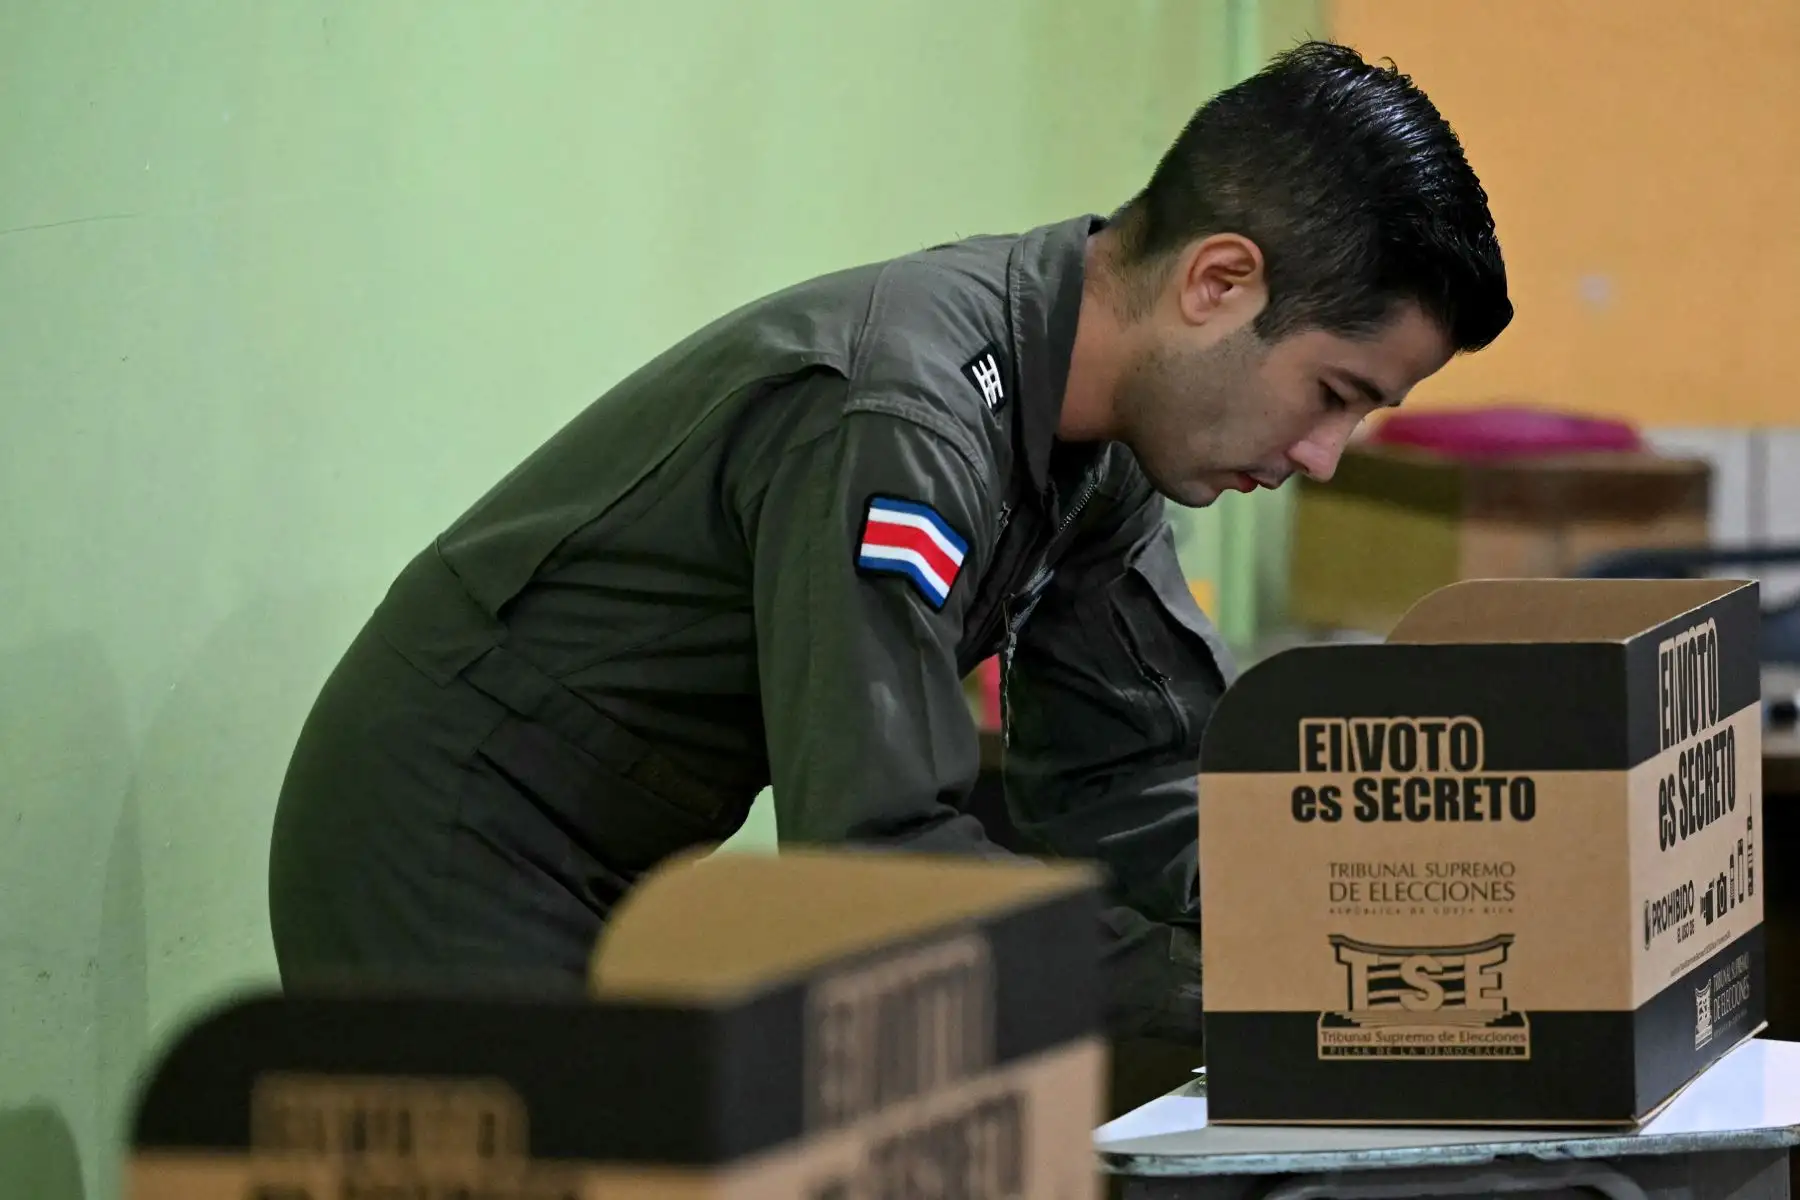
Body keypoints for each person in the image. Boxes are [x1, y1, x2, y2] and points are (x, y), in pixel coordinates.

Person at [267, 40, 1510, 1045]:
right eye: (1335, 393)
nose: (1322, 458)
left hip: (633, 852)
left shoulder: (1114, 444)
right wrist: (1226, 994)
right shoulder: (903, 416)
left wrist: (1345, 935)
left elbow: (1123, 780)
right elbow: (877, 861)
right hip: (450, 836)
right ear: (1219, 284)